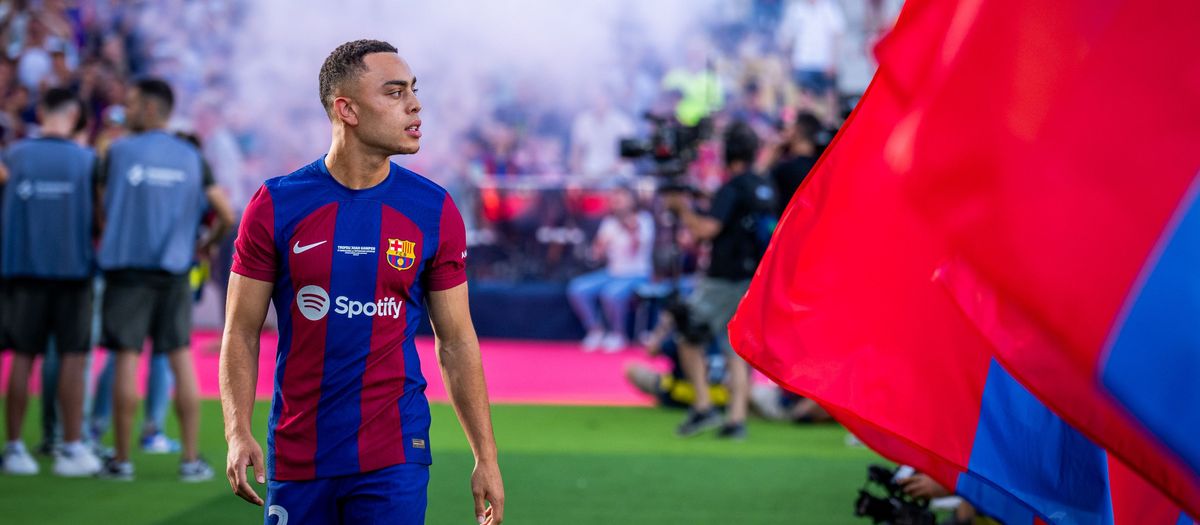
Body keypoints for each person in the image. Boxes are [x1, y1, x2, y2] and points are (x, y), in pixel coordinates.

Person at [219, 40, 505, 525]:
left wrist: (486, 457)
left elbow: (456, 340)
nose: (414, 105)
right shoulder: (276, 204)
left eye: (413, 90)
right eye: (394, 93)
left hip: (395, 450)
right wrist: (236, 430)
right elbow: (241, 331)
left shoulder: (433, 209)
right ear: (346, 109)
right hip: (298, 449)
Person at [95, 77, 234, 481]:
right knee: (179, 357)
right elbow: (225, 213)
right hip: (175, 270)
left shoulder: (117, 151)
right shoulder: (191, 155)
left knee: (126, 357)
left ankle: (121, 461)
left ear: (151, 108)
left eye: (132, 103)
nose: (126, 110)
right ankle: (190, 461)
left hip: (127, 270)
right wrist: (205, 244)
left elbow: (100, 204)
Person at [0, 87, 103, 476]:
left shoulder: (13, 156)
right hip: (73, 271)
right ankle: (71, 448)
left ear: (42, 112)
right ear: (75, 115)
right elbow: (100, 218)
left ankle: (13, 448)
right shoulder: (87, 160)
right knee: (73, 358)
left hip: (22, 270)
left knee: (22, 357)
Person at [664, 121, 777, 440]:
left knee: (688, 335)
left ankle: (703, 407)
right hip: (753, 277)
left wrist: (682, 210)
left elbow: (707, 230)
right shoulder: (763, 185)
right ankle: (736, 420)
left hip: (723, 278)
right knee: (734, 348)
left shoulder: (732, 188)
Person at [566, 187, 654, 352]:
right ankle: (595, 330)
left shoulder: (644, 219)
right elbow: (595, 256)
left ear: (632, 199)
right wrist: (599, 247)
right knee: (578, 288)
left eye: (622, 197)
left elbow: (636, 249)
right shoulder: (609, 223)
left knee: (611, 293)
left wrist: (631, 229)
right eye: (615, 197)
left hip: (637, 274)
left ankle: (618, 334)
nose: (618, 201)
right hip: (612, 272)